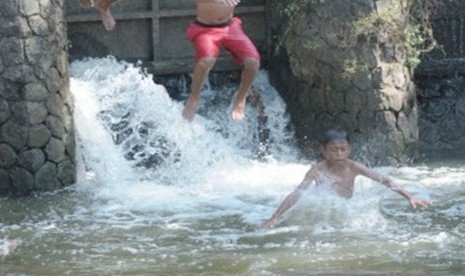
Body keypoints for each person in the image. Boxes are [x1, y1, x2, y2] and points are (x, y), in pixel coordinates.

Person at [262, 129, 431, 229]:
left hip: (347, 209)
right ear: (323, 150)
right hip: (325, 210)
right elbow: (297, 193)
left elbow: (384, 180)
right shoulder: (317, 170)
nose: (339, 154)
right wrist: (275, 217)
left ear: (349, 150)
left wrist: (410, 196)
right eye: (334, 150)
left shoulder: (354, 167)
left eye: (343, 149)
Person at [182, 0, 261, 122]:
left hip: (229, 27)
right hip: (205, 29)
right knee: (206, 60)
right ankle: (194, 96)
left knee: (253, 62)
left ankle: (241, 97)